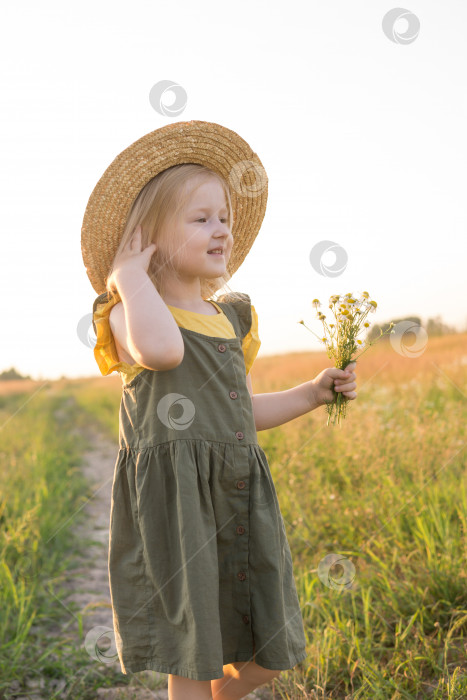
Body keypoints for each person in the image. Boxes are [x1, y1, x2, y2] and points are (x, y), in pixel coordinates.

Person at [82, 121, 357, 700]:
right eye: (201, 218)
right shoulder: (125, 313)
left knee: (269, 650)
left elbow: (232, 412)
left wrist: (310, 393)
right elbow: (163, 352)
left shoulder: (231, 317)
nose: (222, 231)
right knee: (195, 654)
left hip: (237, 491)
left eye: (225, 218)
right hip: (179, 503)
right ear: (149, 236)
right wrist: (130, 276)